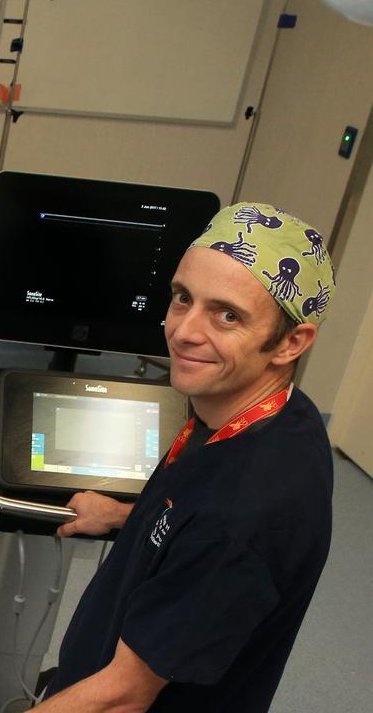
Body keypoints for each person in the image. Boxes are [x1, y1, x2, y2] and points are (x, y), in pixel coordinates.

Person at [36, 203, 337, 712]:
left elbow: (124, 696)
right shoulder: (267, 410)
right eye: (182, 298)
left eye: (227, 315)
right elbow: (196, 513)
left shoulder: (246, 515)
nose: (184, 332)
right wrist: (126, 515)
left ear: (291, 342)